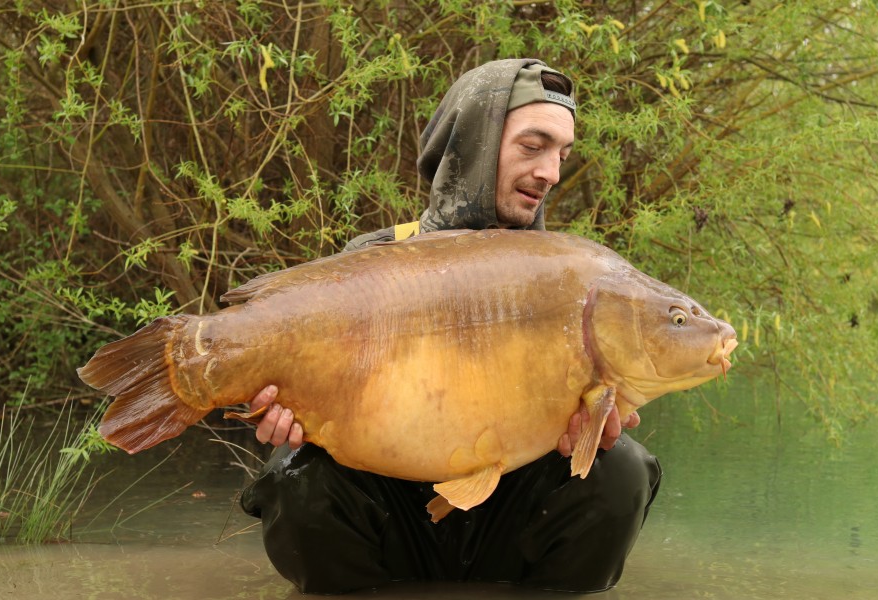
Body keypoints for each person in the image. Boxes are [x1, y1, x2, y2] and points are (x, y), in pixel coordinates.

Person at [240, 58, 662, 594]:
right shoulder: (371, 263)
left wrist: (587, 431)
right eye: (533, 146)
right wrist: (285, 416)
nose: (552, 172)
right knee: (295, 473)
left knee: (620, 469)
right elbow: (303, 403)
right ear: (475, 144)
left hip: (508, 523)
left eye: (561, 154)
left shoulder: (568, 278)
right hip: (394, 513)